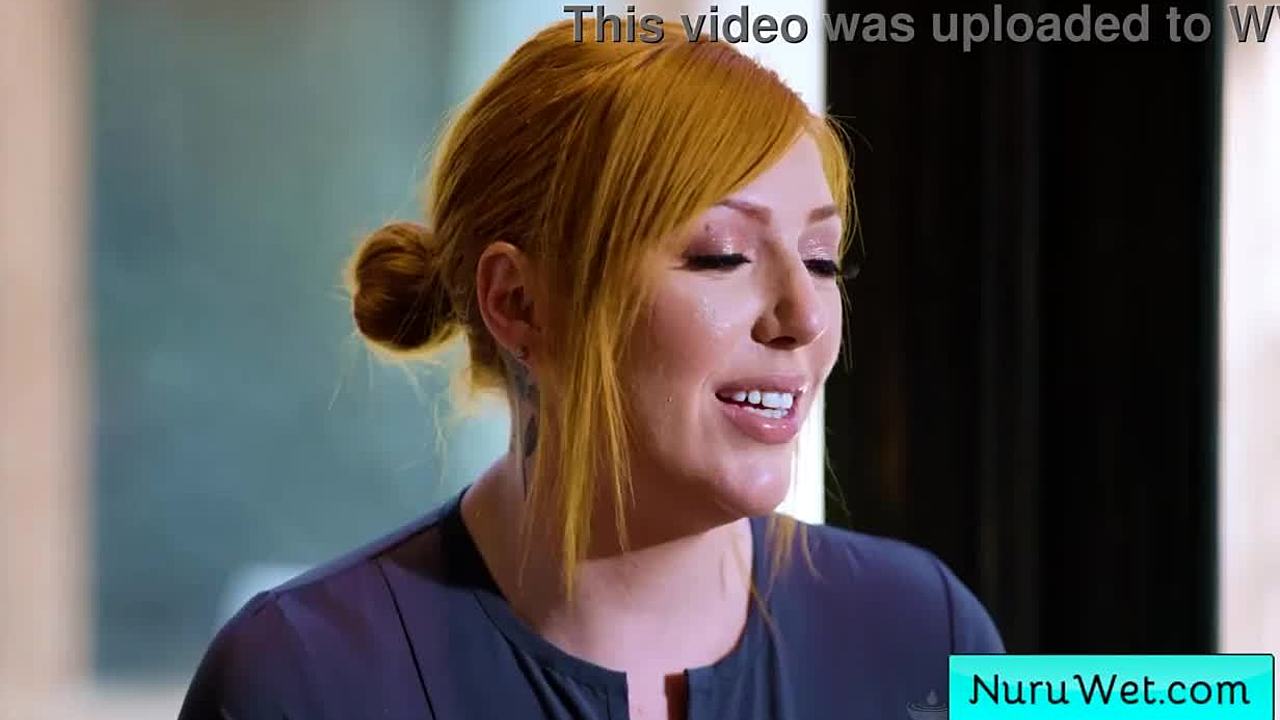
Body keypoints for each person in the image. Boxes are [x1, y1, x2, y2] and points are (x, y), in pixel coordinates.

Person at [178, 18, 1003, 720]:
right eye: (721, 255)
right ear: (519, 303)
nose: (807, 317)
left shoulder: (932, 635)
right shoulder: (297, 681)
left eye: (822, 259)